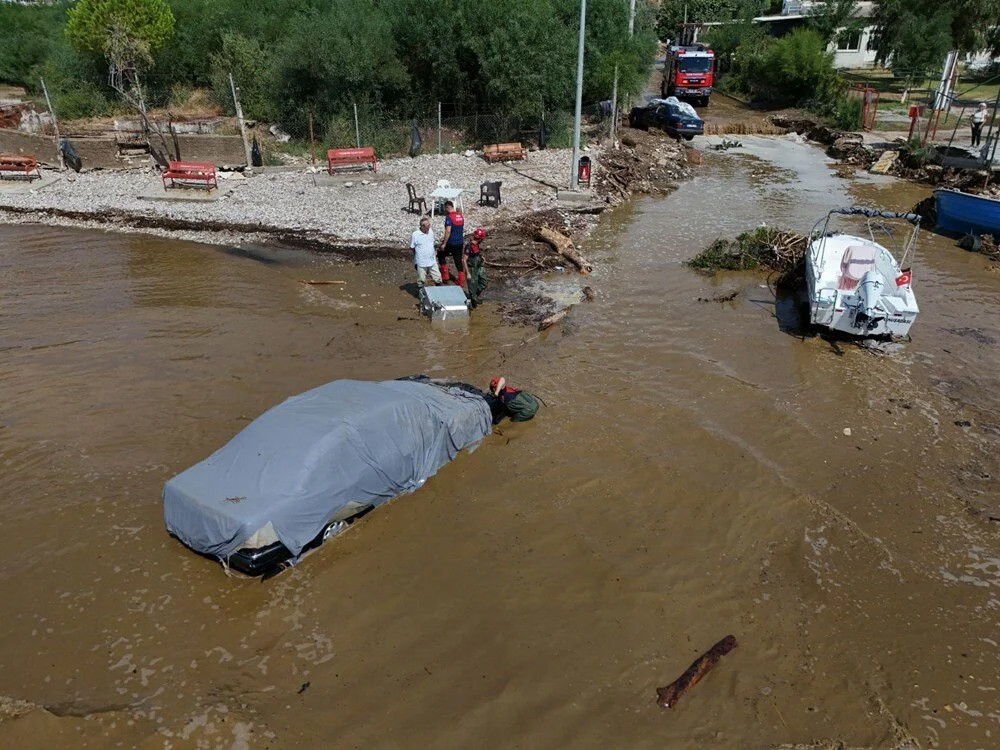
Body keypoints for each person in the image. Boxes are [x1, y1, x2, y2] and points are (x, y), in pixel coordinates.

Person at [438, 200, 465, 286]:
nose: (444, 211)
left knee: (440, 254)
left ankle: (445, 275)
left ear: (447, 207)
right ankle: (461, 281)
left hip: (451, 242)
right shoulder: (460, 216)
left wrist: (444, 243)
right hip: (460, 242)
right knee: (458, 261)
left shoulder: (449, 217)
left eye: (445, 209)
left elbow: (448, 230)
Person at [409, 216, 441, 288]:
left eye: (429, 225)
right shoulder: (415, 235)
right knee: (421, 279)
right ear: (422, 226)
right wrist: (416, 257)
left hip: (432, 260)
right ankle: (420, 292)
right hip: (421, 261)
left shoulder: (430, 231)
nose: (429, 227)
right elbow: (412, 247)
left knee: (438, 277)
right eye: (428, 225)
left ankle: (439, 290)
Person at [463, 227, 489, 308]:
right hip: (471, 269)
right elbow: (464, 260)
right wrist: (467, 273)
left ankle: (474, 296)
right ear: (480, 238)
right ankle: (472, 300)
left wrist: (481, 258)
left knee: (484, 282)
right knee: (472, 286)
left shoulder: (477, 244)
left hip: (478, 267)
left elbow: (477, 253)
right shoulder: (468, 246)